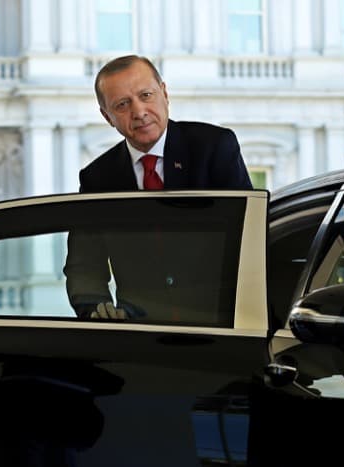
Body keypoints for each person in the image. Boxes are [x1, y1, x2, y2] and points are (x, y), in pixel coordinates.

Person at [63, 54, 252, 320]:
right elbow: (84, 268)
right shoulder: (98, 179)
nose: (139, 112)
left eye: (146, 95)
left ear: (164, 93)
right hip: (140, 335)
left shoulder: (214, 147)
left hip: (218, 325)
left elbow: (248, 239)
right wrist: (98, 314)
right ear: (107, 117)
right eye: (122, 104)